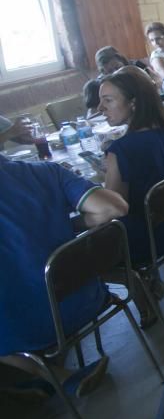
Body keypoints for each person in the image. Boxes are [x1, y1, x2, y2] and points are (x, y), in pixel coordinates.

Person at [0, 155, 127, 399]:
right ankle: (29, 384)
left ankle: (57, 376)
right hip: (88, 299)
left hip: (32, 330)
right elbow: (114, 207)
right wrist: (74, 224)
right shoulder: (46, 171)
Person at [99, 68, 164, 277]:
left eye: (108, 100)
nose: (100, 108)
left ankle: (141, 291)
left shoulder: (121, 150)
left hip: (140, 242)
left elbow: (111, 213)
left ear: (133, 103)